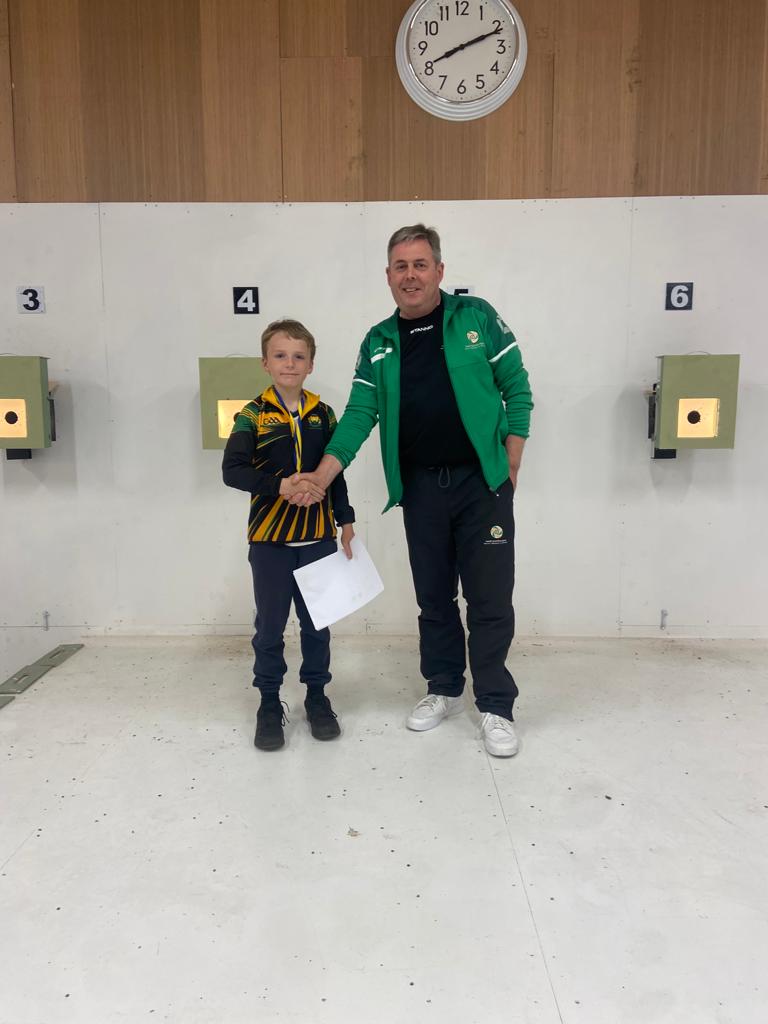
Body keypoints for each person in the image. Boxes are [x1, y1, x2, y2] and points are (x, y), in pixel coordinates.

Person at [289, 225, 532, 757]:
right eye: (401, 266)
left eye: (420, 264)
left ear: (439, 271)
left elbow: (516, 387)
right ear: (388, 276)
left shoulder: (477, 318)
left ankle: (495, 704)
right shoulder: (379, 341)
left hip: (482, 484)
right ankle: (444, 687)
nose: (411, 275)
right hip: (421, 488)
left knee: (490, 598)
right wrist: (321, 477)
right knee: (434, 597)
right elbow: (359, 414)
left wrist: (511, 459)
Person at [222, 318, 355, 752]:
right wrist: (280, 486)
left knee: (318, 626)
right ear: (265, 362)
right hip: (270, 544)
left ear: (311, 364)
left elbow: (335, 472)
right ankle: (268, 702)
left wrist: (345, 520)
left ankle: (317, 697)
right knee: (270, 628)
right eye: (280, 355)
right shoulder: (252, 415)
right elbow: (232, 471)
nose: (290, 363)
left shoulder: (323, 413)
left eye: (299, 356)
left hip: (318, 540)